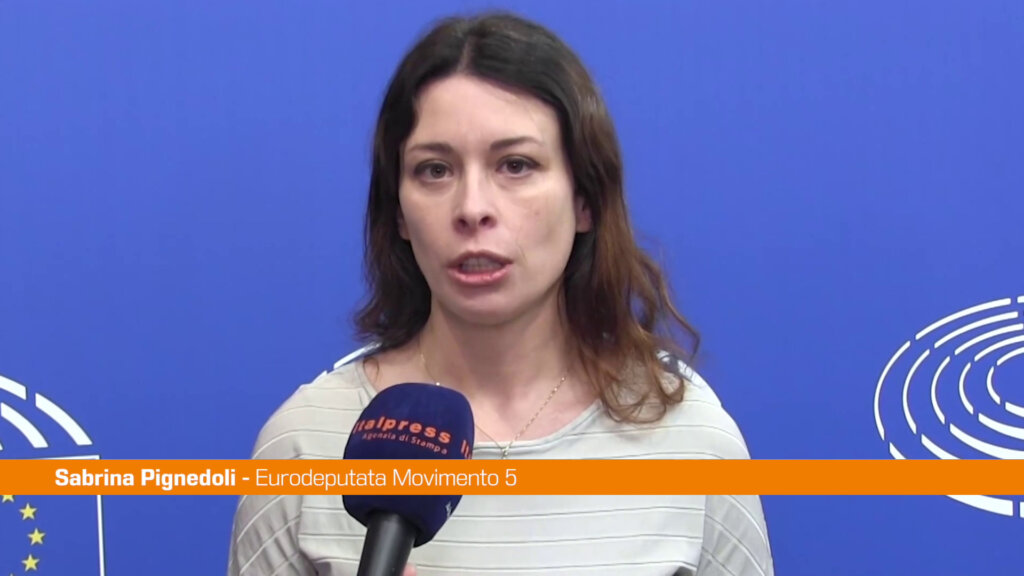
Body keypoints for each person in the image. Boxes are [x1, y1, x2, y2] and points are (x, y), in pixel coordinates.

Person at [227, 10, 773, 576]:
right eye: (435, 170)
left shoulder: (692, 440)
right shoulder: (304, 445)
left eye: (515, 165)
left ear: (585, 200)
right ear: (399, 213)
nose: (472, 208)